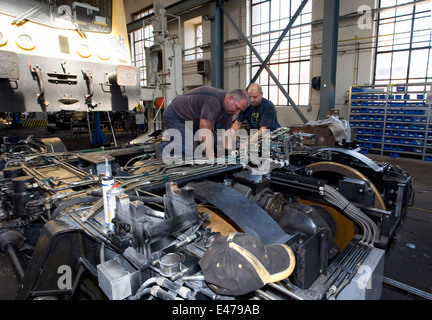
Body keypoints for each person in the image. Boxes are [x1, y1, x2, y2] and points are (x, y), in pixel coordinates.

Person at [161, 86, 249, 161]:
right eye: (237, 108)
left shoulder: (229, 110)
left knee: (215, 140)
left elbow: (227, 134)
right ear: (230, 99)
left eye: (240, 110)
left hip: (193, 121)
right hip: (176, 116)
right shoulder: (213, 101)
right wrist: (212, 160)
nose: (237, 113)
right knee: (193, 150)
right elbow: (204, 133)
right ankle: (164, 147)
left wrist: (230, 155)